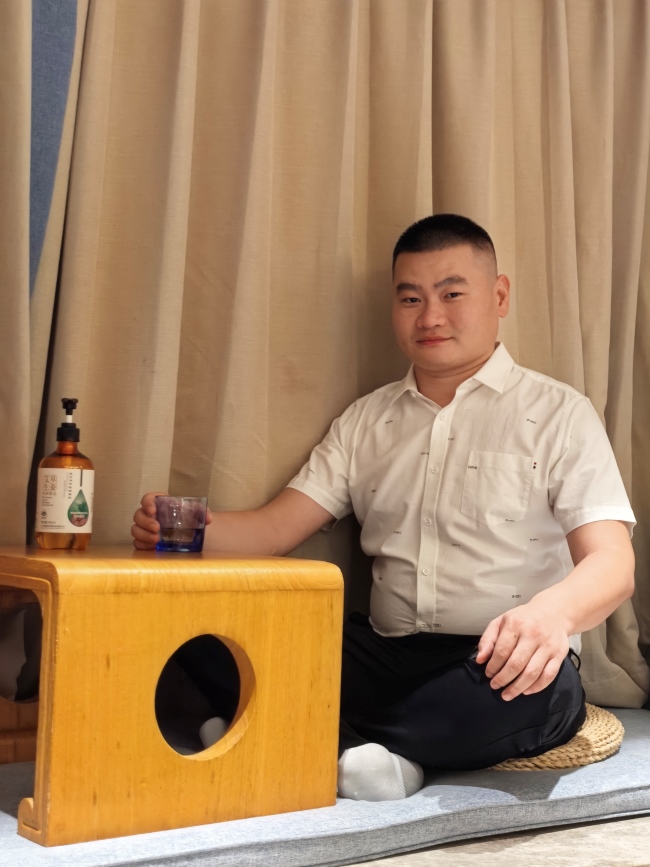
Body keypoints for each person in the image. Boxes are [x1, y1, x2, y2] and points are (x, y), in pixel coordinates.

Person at [132, 214, 636, 801]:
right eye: (411, 298)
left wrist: (551, 615)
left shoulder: (560, 414)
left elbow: (612, 564)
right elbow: (274, 530)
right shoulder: (366, 419)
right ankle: (364, 757)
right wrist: (184, 531)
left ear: (499, 296)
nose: (430, 317)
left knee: (535, 696)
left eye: (452, 294)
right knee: (204, 632)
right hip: (381, 653)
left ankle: (290, 733)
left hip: (497, 659)